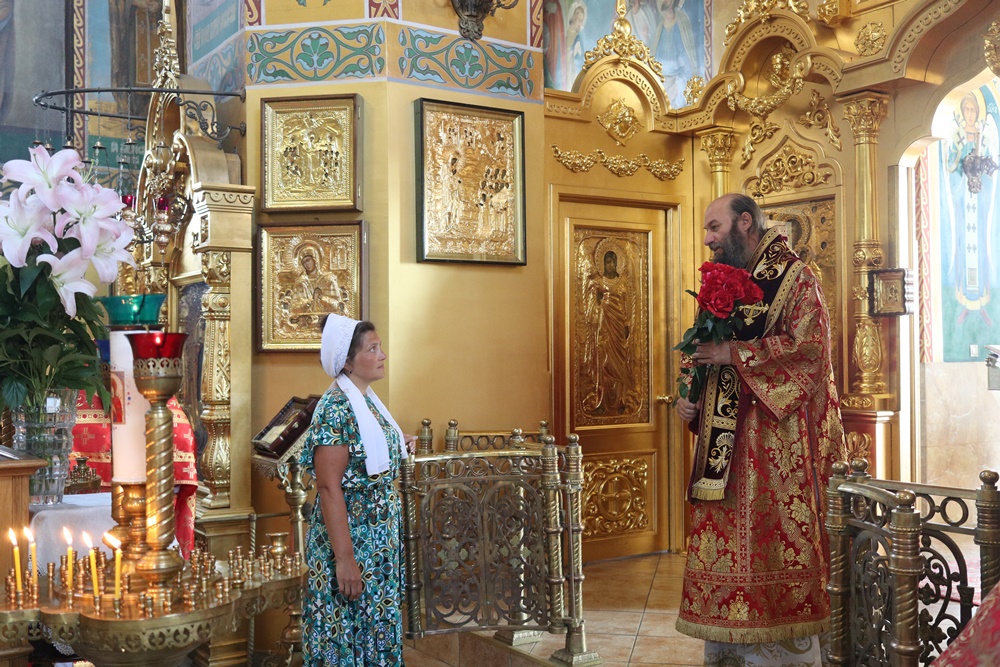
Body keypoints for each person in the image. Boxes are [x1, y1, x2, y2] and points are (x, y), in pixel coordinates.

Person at [674, 193, 845, 666]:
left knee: (772, 551)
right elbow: (701, 352)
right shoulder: (722, 282)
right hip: (723, 455)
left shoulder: (797, 280)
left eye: (714, 227)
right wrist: (689, 397)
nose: (707, 239)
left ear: (745, 223)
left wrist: (736, 354)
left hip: (776, 453)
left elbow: (811, 352)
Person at [299, 314, 417, 665]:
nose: (383, 355)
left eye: (380, 347)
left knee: (375, 630)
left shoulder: (365, 400)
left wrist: (398, 441)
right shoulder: (335, 408)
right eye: (373, 349)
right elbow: (328, 487)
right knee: (348, 634)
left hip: (377, 545)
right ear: (347, 362)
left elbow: (365, 448)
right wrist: (345, 559)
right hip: (353, 542)